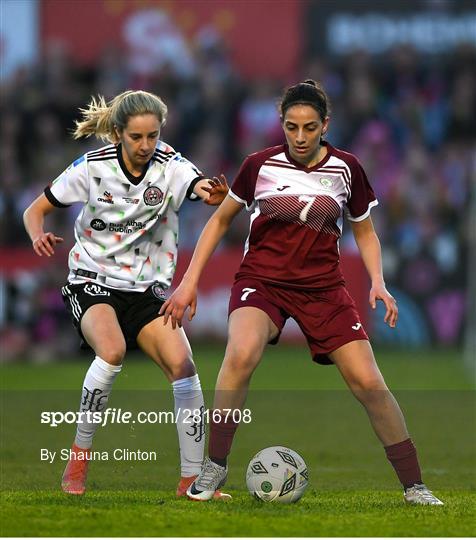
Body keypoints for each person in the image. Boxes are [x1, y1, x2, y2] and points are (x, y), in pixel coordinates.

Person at [160, 80, 444, 506]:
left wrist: (379, 282)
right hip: (263, 280)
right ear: (282, 124)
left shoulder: (347, 168)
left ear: (325, 125)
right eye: (291, 127)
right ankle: (213, 467)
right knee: (240, 354)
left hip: (324, 288)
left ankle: (415, 486)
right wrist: (188, 281)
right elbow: (219, 222)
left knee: (369, 383)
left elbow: (365, 233)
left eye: (309, 127)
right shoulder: (258, 165)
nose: (299, 136)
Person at [23, 90, 230, 499]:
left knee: (184, 367)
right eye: (137, 137)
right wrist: (37, 236)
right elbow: (34, 210)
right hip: (91, 280)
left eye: (153, 136)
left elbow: (197, 183)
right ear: (118, 134)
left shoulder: (170, 165)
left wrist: (211, 194)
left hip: (147, 290)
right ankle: (78, 459)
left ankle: (190, 481)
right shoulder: (92, 167)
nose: (146, 145)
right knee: (113, 350)